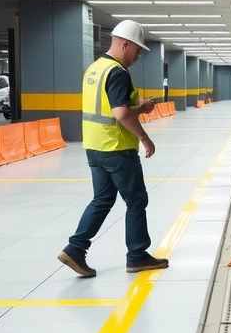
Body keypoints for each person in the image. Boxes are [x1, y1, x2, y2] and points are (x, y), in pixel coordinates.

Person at [58, 20, 169, 277]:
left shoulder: (95, 69)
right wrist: (144, 136)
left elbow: (108, 107)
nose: (139, 56)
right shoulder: (118, 72)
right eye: (138, 50)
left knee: (103, 199)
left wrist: (138, 106)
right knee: (137, 200)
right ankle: (137, 256)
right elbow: (120, 113)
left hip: (94, 148)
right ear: (125, 44)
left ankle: (75, 249)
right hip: (117, 148)